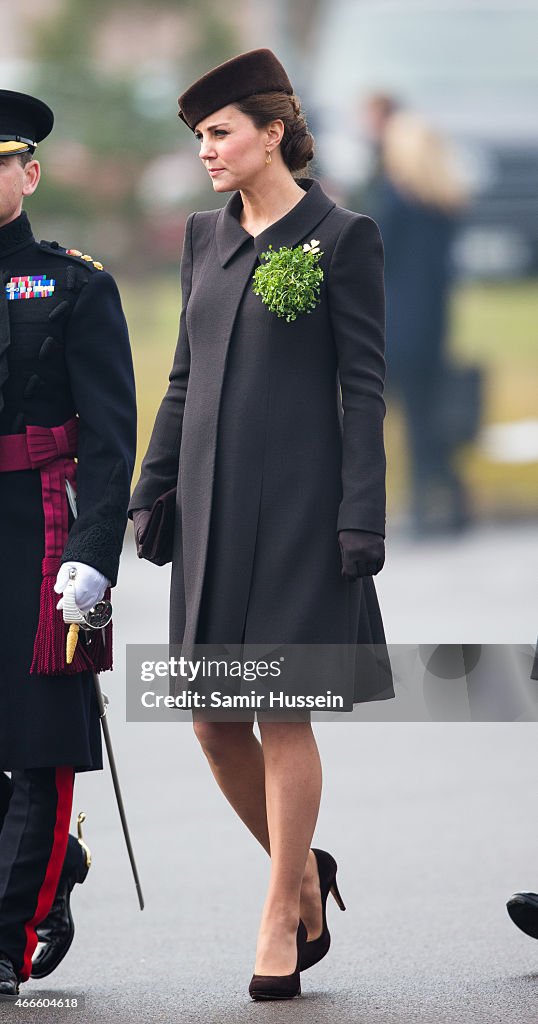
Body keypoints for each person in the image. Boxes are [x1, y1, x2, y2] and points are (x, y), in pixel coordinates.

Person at [128, 48, 391, 1001]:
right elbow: (183, 377)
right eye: (200, 137)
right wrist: (152, 492)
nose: (206, 151)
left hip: (300, 516)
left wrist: (364, 512)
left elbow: (363, 390)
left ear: (271, 133)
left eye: (220, 133)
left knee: (282, 714)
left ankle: (280, 911)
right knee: (210, 718)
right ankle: (309, 873)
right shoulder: (204, 236)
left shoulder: (342, 234)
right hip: (207, 506)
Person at [0, 90, 136, 997]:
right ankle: (44, 877)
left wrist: (93, 552)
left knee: (41, 740)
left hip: (38, 524)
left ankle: (5, 938)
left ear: (27, 171)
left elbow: (111, 434)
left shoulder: (74, 281)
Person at [362, 107, 471, 536]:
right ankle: (445, 504)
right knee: (426, 420)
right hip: (433, 326)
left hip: (394, 326)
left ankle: (419, 509)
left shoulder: (395, 199)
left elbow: (377, 259)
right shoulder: (446, 202)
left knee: (367, 417)